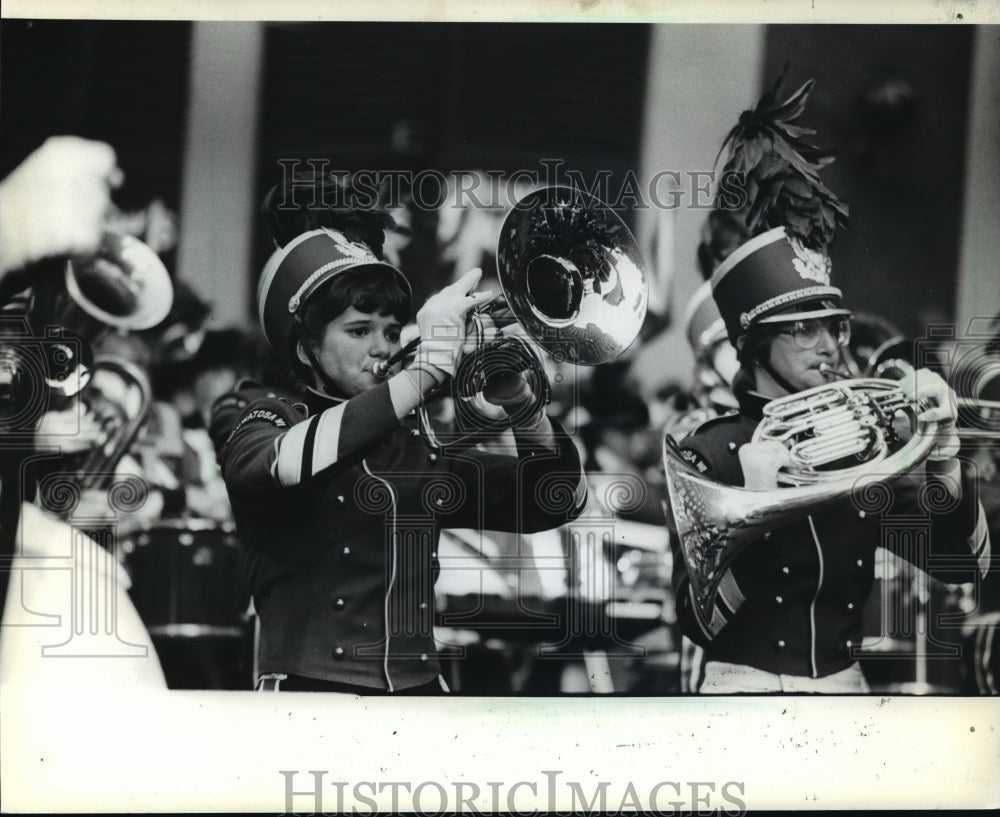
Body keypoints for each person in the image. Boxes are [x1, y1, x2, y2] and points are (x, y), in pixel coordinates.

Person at [667, 69, 990, 694]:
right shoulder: (709, 450)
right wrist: (757, 512)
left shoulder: (860, 443)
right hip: (742, 695)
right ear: (754, 345)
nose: (828, 346)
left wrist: (943, 459)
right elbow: (698, 620)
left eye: (832, 327)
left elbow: (961, 564)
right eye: (802, 331)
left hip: (846, 692)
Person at [213, 201, 587, 694]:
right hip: (310, 694)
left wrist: (521, 401)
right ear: (307, 349)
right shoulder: (262, 413)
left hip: (421, 694)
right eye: (359, 330)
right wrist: (429, 368)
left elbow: (555, 499)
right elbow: (284, 462)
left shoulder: (411, 444)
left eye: (391, 332)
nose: (383, 348)